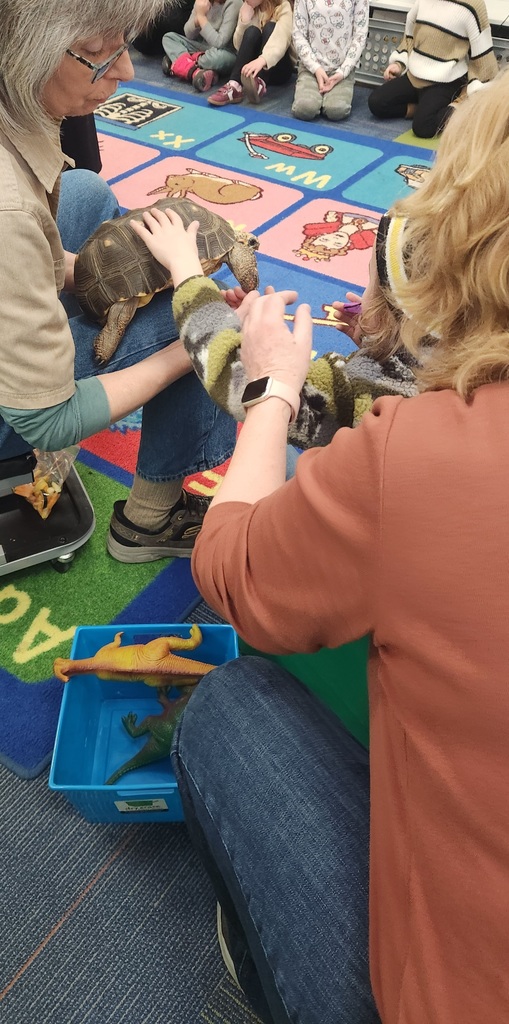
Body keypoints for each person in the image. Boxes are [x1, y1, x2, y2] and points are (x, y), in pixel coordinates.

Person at [135, 72, 509, 1021]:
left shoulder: (412, 439)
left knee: (234, 705)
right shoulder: (400, 390)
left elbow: (235, 568)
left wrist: (253, 362)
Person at [0, 0, 237, 564]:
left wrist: (91, 271)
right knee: (202, 317)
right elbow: (48, 418)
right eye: (102, 55)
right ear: (28, 53)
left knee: (85, 191)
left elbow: (26, 251)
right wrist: (190, 348)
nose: (128, 72)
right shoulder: (8, 211)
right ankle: (151, 518)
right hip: (23, 411)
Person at [367, 0, 497, 138]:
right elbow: (409, 36)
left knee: (423, 128)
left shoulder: (473, 6)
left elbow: (483, 52)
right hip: (415, 75)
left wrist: (479, 90)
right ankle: (420, 109)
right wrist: (399, 64)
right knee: (376, 102)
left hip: (445, 81)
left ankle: (459, 106)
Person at [291, 0, 369, 122]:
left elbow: (360, 36)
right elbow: (298, 35)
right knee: (305, 109)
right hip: (311, 68)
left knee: (337, 110)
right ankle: (310, 92)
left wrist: (343, 72)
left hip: (342, 70)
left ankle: (324, 96)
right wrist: (315, 68)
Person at [207, 0, 294, 108]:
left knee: (270, 27)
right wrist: (244, 21)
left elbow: (282, 39)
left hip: (278, 68)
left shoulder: (282, 6)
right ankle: (235, 85)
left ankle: (260, 82)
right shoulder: (247, 7)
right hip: (254, 68)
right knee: (251, 31)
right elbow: (239, 46)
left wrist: (263, 59)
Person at [161, 0, 242, 93]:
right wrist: (197, 19)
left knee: (215, 59)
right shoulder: (202, 2)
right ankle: (195, 72)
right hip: (201, 47)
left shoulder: (234, 3)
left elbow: (219, 42)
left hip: (225, 52)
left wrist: (201, 17)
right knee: (169, 38)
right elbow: (188, 34)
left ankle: (180, 63)